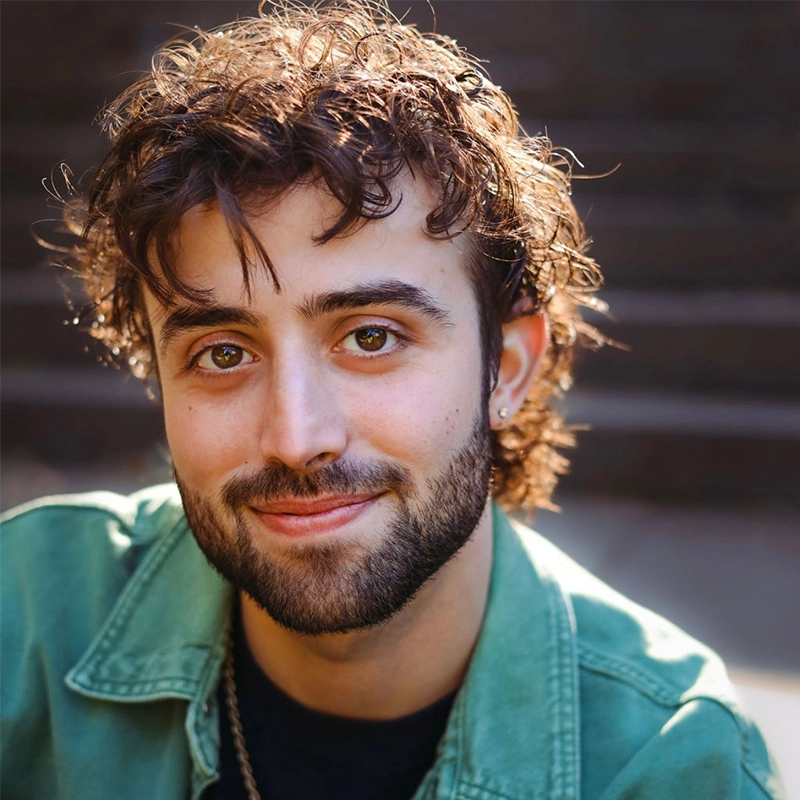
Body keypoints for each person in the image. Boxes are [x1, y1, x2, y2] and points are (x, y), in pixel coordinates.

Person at [0, 3, 785, 799]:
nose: (296, 437)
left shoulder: (672, 764)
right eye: (224, 353)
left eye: (371, 338)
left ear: (506, 369)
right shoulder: (22, 623)